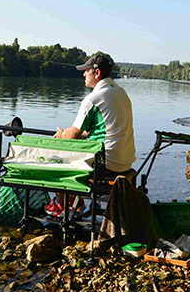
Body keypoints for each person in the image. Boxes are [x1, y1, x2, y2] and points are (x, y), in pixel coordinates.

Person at [46, 54, 136, 215]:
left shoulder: (94, 98)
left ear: (97, 73)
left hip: (106, 163)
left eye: (86, 71)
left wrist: (61, 135)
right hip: (125, 160)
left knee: (55, 157)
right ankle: (75, 201)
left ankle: (62, 204)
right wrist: (81, 134)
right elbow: (105, 127)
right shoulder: (121, 93)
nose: (83, 74)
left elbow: (72, 134)